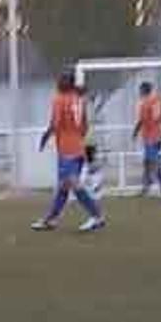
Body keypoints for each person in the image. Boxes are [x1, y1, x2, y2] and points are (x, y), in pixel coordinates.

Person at [31, 73, 106, 232]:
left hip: (67, 149)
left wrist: (45, 137)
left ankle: (97, 216)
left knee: (72, 183)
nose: (57, 82)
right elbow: (84, 126)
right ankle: (50, 219)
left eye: (60, 80)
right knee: (64, 186)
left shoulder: (60, 99)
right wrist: (77, 139)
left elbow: (55, 123)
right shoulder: (79, 99)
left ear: (65, 83)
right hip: (78, 147)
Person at [132, 82, 161, 196]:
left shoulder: (145, 103)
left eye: (140, 90)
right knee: (149, 161)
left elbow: (141, 120)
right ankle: (158, 185)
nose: (139, 92)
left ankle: (149, 186)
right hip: (159, 135)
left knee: (152, 162)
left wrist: (135, 132)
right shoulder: (159, 100)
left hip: (150, 137)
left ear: (143, 90)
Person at [78, 85, 103, 199]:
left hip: (85, 138)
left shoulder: (82, 104)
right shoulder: (89, 104)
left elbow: (84, 122)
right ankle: (94, 188)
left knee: (84, 163)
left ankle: (90, 188)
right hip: (91, 138)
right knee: (89, 163)